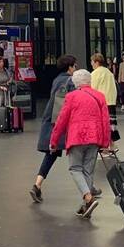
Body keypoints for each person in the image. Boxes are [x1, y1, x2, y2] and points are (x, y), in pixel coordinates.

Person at [49, 69, 111, 218]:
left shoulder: (71, 96)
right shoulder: (100, 96)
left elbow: (62, 119)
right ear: (89, 81)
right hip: (95, 137)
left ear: (75, 83)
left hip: (77, 137)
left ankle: (88, 198)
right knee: (88, 171)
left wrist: (54, 140)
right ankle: (86, 207)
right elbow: (105, 120)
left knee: (75, 168)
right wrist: (105, 142)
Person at [29, 55, 76, 203]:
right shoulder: (70, 81)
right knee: (78, 155)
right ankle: (88, 188)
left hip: (51, 121)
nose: (76, 69)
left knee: (51, 154)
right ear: (69, 67)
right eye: (74, 66)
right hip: (62, 123)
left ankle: (37, 185)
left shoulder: (56, 80)